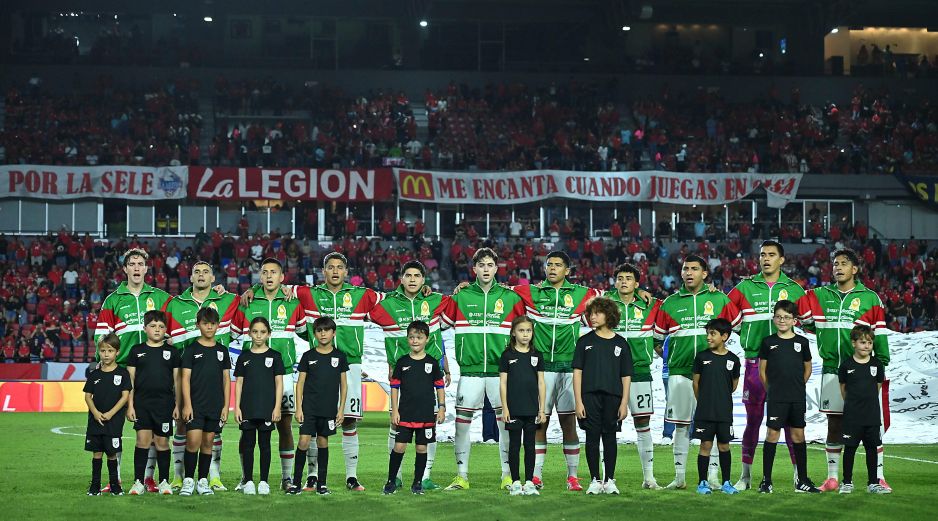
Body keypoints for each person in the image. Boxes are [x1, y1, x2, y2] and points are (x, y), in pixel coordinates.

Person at [798, 249, 892, 492]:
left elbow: (879, 334)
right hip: (832, 369)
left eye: (843, 263)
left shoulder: (870, 298)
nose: (837, 267)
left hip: (864, 371)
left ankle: (879, 477)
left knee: (872, 425)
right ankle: (832, 478)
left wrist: (879, 364)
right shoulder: (819, 295)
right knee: (835, 424)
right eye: (835, 263)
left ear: (855, 269)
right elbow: (800, 316)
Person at [513, 251, 602, 491]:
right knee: (540, 423)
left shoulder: (582, 294)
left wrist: (640, 291)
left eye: (558, 265)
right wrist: (465, 285)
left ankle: (572, 477)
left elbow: (613, 295)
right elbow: (500, 290)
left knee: (569, 424)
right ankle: (537, 476)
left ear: (568, 270)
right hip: (541, 370)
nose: (552, 268)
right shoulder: (531, 292)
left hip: (570, 369)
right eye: (549, 264)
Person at [440, 248, 525, 491]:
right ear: (474, 269)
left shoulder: (510, 298)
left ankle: (507, 476)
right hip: (471, 372)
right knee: (461, 425)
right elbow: (439, 326)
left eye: (490, 265)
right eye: (481, 265)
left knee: (505, 425)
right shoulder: (461, 297)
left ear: (496, 268)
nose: (486, 269)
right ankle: (461, 476)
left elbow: (528, 329)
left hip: (502, 374)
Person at [654, 254, 741, 490]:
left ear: (705, 273)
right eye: (685, 269)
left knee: (711, 427)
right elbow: (657, 340)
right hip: (680, 374)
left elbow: (740, 325)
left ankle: (713, 477)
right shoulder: (669, 303)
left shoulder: (719, 299)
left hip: (713, 376)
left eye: (694, 268)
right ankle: (680, 477)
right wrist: (674, 359)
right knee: (681, 426)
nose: (689, 272)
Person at [367, 260, 452, 490]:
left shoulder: (434, 299)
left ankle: (424, 476)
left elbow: (439, 331)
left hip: (427, 374)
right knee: (396, 425)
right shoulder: (388, 303)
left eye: (417, 275)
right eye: (408, 275)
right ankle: (397, 477)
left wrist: (444, 365)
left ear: (424, 280)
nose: (413, 279)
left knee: (428, 425)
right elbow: (361, 309)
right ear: (401, 279)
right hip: (399, 373)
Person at [728, 240, 804, 490]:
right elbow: (724, 312)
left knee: (792, 423)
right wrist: (744, 334)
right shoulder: (746, 287)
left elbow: (809, 320)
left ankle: (798, 476)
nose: (766, 258)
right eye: (762, 255)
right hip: (753, 364)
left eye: (772, 255)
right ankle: (746, 476)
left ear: (782, 260)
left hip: (786, 368)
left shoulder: (793, 289)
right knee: (752, 420)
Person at [95, 248, 172, 491]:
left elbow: (183, 314)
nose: (137, 268)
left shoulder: (161, 297)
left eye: (141, 263)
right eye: (132, 264)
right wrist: (105, 360)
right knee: (113, 425)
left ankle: (148, 478)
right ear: (125, 269)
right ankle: (114, 477)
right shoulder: (113, 300)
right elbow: (102, 336)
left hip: (154, 370)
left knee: (148, 426)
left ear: (146, 269)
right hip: (122, 369)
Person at [231, 258, 307, 491]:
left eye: (274, 272)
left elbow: (305, 334)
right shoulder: (247, 302)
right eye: (265, 272)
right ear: (260, 277)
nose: (269, 276)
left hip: (282, 374)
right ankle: (246, 478)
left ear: (283, 277)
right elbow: (232, 334)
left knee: (284, 426)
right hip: (252, 376)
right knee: (247, 429)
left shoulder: (292, 302)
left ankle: (286, 477)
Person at [165, 260, 240, 491]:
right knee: (181, 425)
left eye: (206, 271)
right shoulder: (175, 304)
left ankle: (212, 476)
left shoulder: (227, 300)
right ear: (190, 278)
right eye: (196, 271)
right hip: (183, 375)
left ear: (213, 279)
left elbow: (250, 298)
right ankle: (180, 476)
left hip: (214, 381)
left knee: (211, 433)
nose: (201, 275)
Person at [606, 263, 662, 489]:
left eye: (629, 278)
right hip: (610, 373)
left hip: (639, 372)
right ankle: (606, 477)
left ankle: (649, 478)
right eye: (619, 278)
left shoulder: (652, 305)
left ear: (637, 283)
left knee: (643, 422)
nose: (623, 282)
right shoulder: (606, 302)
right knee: (608, 426)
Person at [758, 300, 820, 493]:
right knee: (772, 435)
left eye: (786, 317)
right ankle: (766, 481)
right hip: (776, 397)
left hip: (796, 397)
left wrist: (798, 384)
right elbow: (762, 371)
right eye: (778, 316)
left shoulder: (802, 342)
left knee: (798, 435)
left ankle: (802, 480)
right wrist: (772, 390)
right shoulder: (768, 342)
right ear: (774, 318)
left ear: (794, 320)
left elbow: (808, 366)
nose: (782, 320)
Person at [574, 297, 633, 495]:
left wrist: (624, 403)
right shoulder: (584, 342)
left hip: (613, 398)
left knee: (610, 438)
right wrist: (578, 401)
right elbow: (577, 373)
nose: (592, 317)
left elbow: (626, 376)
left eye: (597, 313)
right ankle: (594, 479)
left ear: (609, 315)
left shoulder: (621, 343)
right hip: (589, 397)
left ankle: (609, 480)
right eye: (590, 313)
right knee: (591, 438)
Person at [383, 321, 447, 495]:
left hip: (426, 415)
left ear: (427, 339)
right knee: (399, 447)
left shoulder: (432, 363)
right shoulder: (402, 362)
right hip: (405, 414)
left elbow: (440, 387)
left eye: (419, 337)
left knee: (421, 448)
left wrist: (441, 408)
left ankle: (417, 483)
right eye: (412, 337)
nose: (415, 340)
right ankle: (390, 481)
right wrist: (394, 410)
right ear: (407, 339)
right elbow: (394, 388)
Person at [287, 317, 349, 495]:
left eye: (327, 330)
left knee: (323, 442)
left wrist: (340, 409)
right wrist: (299, 408)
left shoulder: (339, 356)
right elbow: (300, 384)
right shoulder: (308, 356)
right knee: (304, 442)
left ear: (333, 333)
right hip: (309, 409)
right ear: (314, 334)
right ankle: (296, 483)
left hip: (328, 409)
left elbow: (343, 385)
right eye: (319, 330)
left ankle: (322, 484)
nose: (323, 333)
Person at [126, 310, 180, 496]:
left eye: (161, 326)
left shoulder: (172, 352)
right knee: (142, 441)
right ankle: (138, 482)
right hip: (141, 404)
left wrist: (177, 405)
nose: (157, 330)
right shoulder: (136, 351)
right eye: (153, 326)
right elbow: (130, 380)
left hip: (164, 405)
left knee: (162, 442)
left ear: (166, 329)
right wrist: (130, 405)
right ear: (145, 328)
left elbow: (177, 381)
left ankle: (164, 481)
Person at [179, 307, 231, 496]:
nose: (209, 327)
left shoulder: (222, 351)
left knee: (208, 443)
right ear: (198, 325)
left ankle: (202, 481)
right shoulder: (192, 350)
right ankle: (188, 480)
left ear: (217, 325)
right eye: (205, 323)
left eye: (212, 324)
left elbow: (226, 379)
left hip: (215, 405)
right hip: (196, 405)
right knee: (192, 441)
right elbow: (184, 378)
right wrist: (187, 404)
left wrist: (226, 406)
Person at [234, 317, 285, 496]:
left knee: (265, 445)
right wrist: (237, 407)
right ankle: (248, 481)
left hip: (267, 409)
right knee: (248, 444)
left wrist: (277, 407)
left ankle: (264, 481)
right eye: (255, 332)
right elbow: (239, 383)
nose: (258, 335)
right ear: (249, 334)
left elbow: (279, 384)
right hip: (247, 407)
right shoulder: (244, 357)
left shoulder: (275, 356)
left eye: (263, 332)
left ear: (269, 334)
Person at [838, 325, 890, 494]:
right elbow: (843, 389)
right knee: (850, 449)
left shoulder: (877, 364)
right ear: (853, 343)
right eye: (862, 342)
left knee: (871, 449)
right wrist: (854, 404)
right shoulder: (846, 365)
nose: (866, 345)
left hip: (871, 416)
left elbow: (877, 386)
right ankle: (846, 482)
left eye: (869, 342)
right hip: (852, 416)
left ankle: (873, 483)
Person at [691, 318, 740, 495]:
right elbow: (696, 383)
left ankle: (727, 482)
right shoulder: (702, 357)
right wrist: (703, 401)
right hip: (705, 411)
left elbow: (733, 385)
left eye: (713, 334)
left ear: (724, 336)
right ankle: (702, 483)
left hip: (724, 411)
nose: (709, 337)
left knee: (724, 446)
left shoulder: (733, 360)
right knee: (705, 445)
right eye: (708, 334)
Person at [499, 316, 546, 496]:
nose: (525, 334)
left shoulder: (537, 356)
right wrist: (505, 408)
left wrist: (542, 409)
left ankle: (529, 482)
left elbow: (541, 383)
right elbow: (503, 383)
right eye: (521, 330)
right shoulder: (507, 355)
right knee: (514, 446)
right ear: (513, 333)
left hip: (532, 409)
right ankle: (516, 481)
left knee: (530, 446)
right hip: (513, 409)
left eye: (528, 331)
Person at [84, 334, 131, 496]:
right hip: (96, 421)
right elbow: (87, 396)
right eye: (103, 350)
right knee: (96, 453)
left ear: (117, 352)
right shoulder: (94, 374)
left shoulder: (123, 374)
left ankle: (114, 486)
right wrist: (96, 413)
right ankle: (95, 486)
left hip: (113, 421)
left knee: (112, 453)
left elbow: (125, 396)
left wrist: (111, 413)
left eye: (110, 350)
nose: (106, 354)